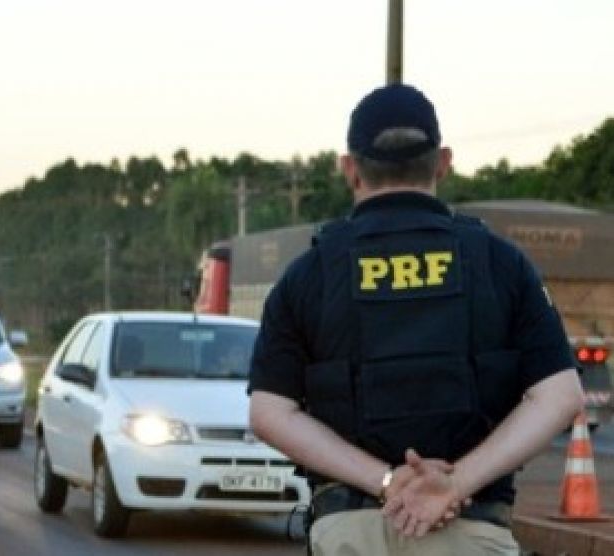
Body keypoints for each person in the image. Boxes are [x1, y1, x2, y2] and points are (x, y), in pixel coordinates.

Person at [248, 83, 585, 555]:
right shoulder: (499, 262)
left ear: (349, 169)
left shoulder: (309, 274)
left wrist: (386, 480)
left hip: (349, 533)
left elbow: (270, 412)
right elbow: (559, 395)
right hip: (472, 531)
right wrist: (454, 483)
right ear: (443, 162)